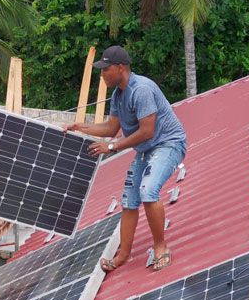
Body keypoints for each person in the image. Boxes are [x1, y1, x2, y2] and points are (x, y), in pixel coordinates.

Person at [64, 45, 187, 273]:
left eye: (105, 70)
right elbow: (111, 128)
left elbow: (147, 131)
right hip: (146, 149)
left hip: (167, 144)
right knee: (129, 199)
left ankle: (161, 247)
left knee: (148, 190)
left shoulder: (141, 89)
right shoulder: (118, 95)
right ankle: (124, 254)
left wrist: (111, 147)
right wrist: (80, 127)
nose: (102, 76)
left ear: (120, 68)